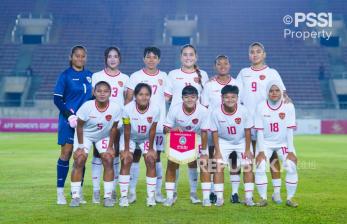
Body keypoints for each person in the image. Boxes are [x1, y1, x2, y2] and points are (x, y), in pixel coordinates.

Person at [236, 42, 291, 203]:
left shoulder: (272, 72)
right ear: (249, 55)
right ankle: (251, 194)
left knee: (273, 158)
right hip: (248, 122)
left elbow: (283, 94)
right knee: (250, 159)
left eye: (258, 52)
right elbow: (235, 93)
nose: (255, 54)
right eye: (252, 52)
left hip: (268, 123)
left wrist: (287, 102)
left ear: (264, 54)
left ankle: (276, 192)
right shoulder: (243, 73)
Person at [164, 44, 209, 202]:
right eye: (185, 54)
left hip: (196, 126)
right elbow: (165, 98)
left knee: (194, 162)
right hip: (177, 125)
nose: (188, 57)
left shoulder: (202, 74)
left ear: (196, 57)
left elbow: (206, 100)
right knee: (173, 161)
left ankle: (194, 193)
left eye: (191, 55)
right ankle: (172, 194)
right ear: (180, 57)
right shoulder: (173, 74)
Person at [124, 47, 167, 204]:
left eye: (154, 57)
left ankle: (157, 193)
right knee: (134, 156)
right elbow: (129, 99)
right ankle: (132, 192)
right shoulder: (135, 76)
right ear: (143, 59)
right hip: (136, 125)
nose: (151, 60)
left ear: (159, 60)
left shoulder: (164, 76)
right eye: (148, 57)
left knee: (156, 157)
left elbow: (170, 97)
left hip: (158, 124)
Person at [69, 81, 122, 207]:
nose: (102, 94)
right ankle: (75, 196)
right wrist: (81, 147)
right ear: (94, 92)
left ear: (110, 93)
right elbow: (79, 126)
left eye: (105, 91)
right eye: (99, 91)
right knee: (80, 159)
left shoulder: (115, 108)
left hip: (103, 135)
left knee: (108, 159)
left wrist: (110, 147)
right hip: (85, 135)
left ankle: (108, 197)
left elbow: (114, 128)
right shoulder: (87, 106)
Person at [200, 55, 244, 203]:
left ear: (230, 65)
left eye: (225, 63)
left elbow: (241, 104)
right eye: (219, 64)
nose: (223, 66)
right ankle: (213, 191)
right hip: (213, 127)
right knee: (213, 159)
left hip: (232, 129)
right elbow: (204, 106)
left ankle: (234, 193)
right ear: (215, 67)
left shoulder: (237, 83)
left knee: (234, 160)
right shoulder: (209, 85)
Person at [53, 45, 92, 205]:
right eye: (77, 56)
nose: (80, 59)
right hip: (68, 121)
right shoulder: (65, 76)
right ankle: (60, 193)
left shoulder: (90, 75)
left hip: (85, 123)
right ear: (71, 57)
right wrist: (69, 115)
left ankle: (77, 191)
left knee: (81, 156)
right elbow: (57, 99)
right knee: (67, 153)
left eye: (83, 56)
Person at [91, 46, 129, 204]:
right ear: (105, 59)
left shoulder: (125, 78)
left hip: (117, 122)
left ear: (119, 59)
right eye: (110, 56)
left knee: (114, 155)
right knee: (97, 155)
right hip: (99, 122)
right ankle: (96, 191)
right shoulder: (96, 76)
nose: (113, 59)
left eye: (115, 56)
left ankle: (112, 189)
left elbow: (128, 100)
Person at [163, 86, 210, 206]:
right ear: (182, 98)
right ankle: (170, 196)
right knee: (172, 162)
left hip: (197, 137)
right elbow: (165, 128)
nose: (190, 100)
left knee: (204, 164)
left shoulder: (203, 110)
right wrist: (173, 130)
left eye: (193, 97)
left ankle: (202, 197)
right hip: (179, 137)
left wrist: (204, 152)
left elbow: (205, 132)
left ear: (197, 98)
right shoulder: (175, 109)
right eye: (186, 97)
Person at [254, 80, 298, 207]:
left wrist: (290, 152)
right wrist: (261, 152)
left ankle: (290, 198)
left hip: (283, 143)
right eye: (271, 90)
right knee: (261, 165)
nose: (274, 93)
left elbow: (290, 130)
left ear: (281, 92)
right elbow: (260, 132)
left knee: (291, 165)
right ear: (267, 92)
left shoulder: (289, 106)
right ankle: (263, 198)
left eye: (277, 90)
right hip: (265, 143)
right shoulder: (261, 106)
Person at [210, 85, 255, 206]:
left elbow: (247, 131)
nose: (230, 100)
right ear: (222, 98)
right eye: (227, 97)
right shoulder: (215, 112)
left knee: (248, 167)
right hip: (223, 141)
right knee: (218, 166)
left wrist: (247, 150)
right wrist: (217, 152)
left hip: (242, 141)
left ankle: (249, 198)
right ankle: (219, 198)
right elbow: (214, 132)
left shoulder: (244, 110)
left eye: (233, 97)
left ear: (237, 98)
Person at [118, 83, 160, 207]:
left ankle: (151, 197)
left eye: (147, 94)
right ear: (135, 96)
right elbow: (126, 129)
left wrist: (151, 149)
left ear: (150, 96)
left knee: (151, 160)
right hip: (129, 137)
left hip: (146, 138)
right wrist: (126, 149)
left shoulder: (155, 109)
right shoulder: (127, 108)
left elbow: (153, 129)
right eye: (141, 94)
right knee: (126, 160)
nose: (144, 97)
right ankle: (124, 197)